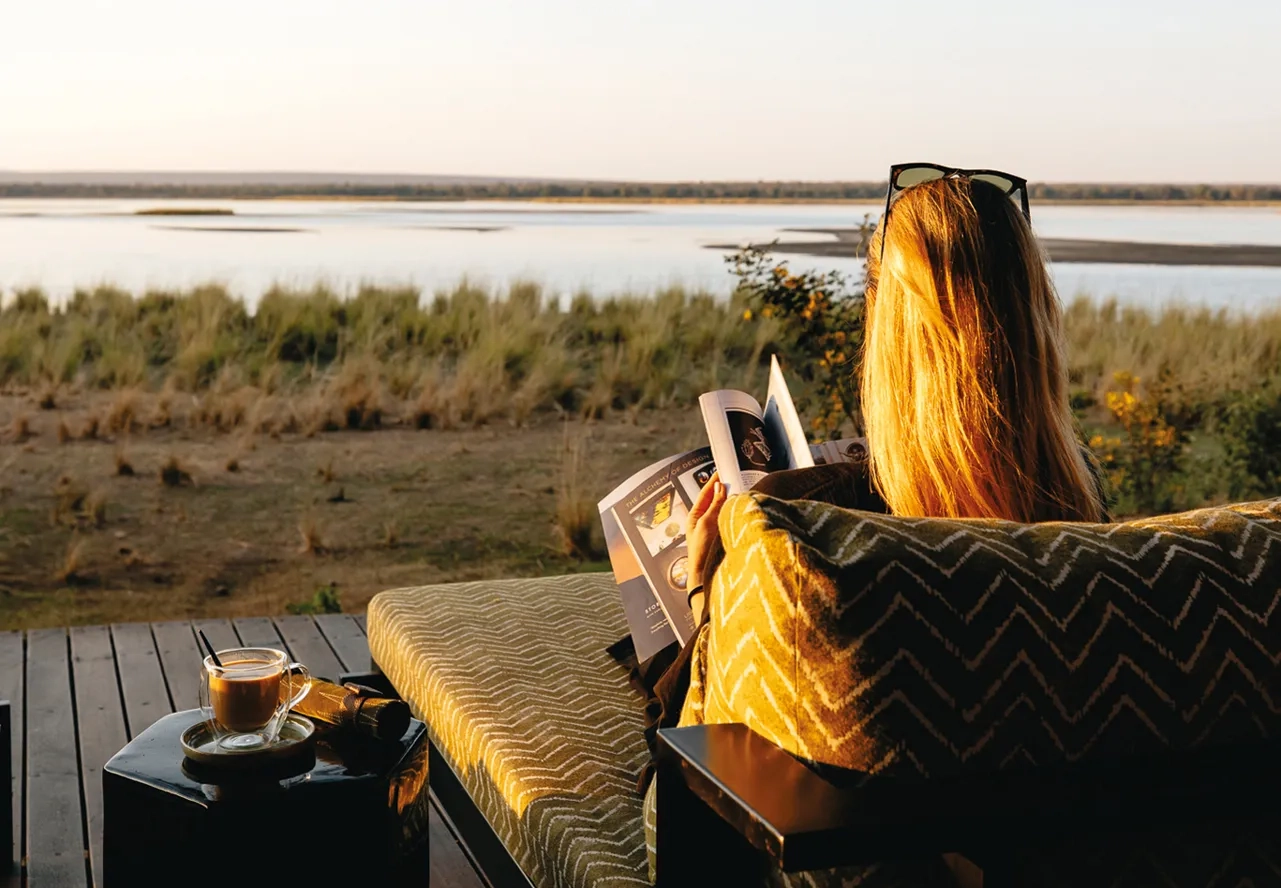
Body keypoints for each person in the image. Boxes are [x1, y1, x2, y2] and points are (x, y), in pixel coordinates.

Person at [629, 164, 1108, 792]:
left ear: (888, 331)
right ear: (1035, 314)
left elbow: (682, 746)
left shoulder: (816, 531)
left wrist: (700, 586)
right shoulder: (1086, 504)